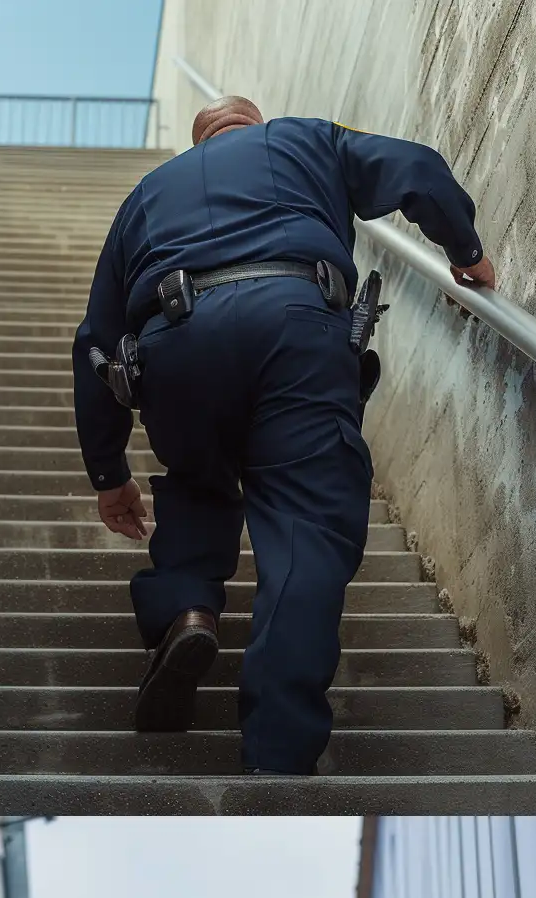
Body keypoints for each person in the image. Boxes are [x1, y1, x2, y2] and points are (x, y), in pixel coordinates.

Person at [73, 96, 498, 775]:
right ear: (255, 120)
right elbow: (415, 169)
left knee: (198, 484)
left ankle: (187, 611)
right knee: (306, 527)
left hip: (175, 348)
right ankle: (276, 750)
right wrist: (466, 249)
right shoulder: (305, 141)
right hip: (295, 325)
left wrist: (108, 472)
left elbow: (94, 343)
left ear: (197, 140)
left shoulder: (146, 197)